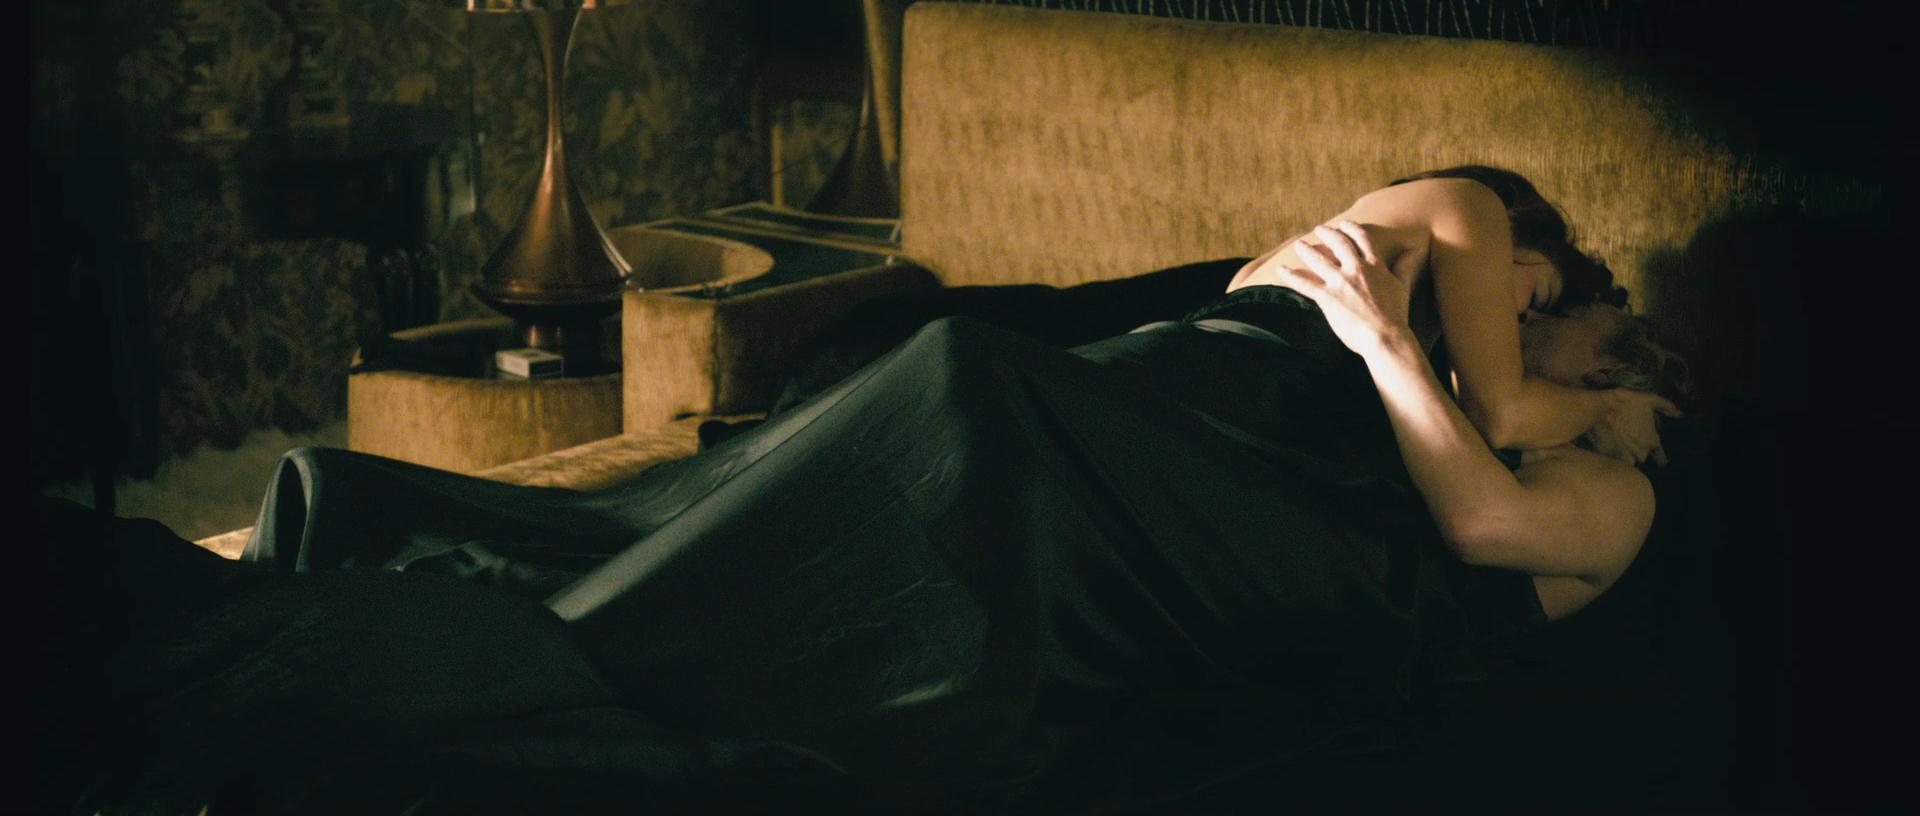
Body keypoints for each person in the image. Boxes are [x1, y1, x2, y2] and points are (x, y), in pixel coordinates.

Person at [42, 193, 1690, 815]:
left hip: (1093, 513)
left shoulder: (1608, 494)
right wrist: (1381, 333)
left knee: (687, 627)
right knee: (652, 566)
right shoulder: (1450, 233)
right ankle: (256, 627)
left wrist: (1385, 342)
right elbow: (1428, 412)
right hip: (1064, 446)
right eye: (1542, 293)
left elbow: (1482, 505)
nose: (1523, 322)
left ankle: (298, 647)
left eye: (1564, 316)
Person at [1232, 166, 1679, 466]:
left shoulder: (1308, 249)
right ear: (1513, 231)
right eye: (1538, 297)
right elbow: (1502, 417)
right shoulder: (1475, 206)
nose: (1521, 321)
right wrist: (1610, 408)